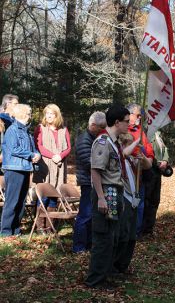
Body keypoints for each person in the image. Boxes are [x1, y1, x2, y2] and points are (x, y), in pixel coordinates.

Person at [85, 104, 130, 289]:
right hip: (104, 192)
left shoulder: (114, 142)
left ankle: (105, 275)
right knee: (103, 237)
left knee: (111, 236)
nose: (129, 125)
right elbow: (96, 171)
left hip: (114, 192)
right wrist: (101, 198)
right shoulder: (102, 142)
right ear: (117, 122)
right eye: (126, 121)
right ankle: (95, 280)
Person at [113, 132, 152, 275]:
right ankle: (115, 266)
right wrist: (136, 142)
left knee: (131, 235)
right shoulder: (119, 157)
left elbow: (147, 166)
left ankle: (123, 265)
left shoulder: (131, 160)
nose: (131, 148)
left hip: (134, 198)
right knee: (123, 234)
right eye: (128, 144)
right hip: (124, 198)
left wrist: (143, 157)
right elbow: (122, 154)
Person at [0, 104, 40, 236]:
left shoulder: (26, 131)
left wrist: (36, 154)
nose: (30, 116)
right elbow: (14, 149)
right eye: (29, 113)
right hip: (14, 169)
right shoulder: (13, 130)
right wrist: (31, 155)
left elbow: (31, 148)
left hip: (25, 168)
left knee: (22, 201)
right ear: (23, 114)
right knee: (12, 201)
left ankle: (16, 230)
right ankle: (5, 232)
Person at [33, 104, 71, 233]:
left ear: (57, 115)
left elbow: (68, 147)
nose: (48, 116)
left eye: (51, 114)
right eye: (47, 113)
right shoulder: (40, 128)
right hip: (45, 166)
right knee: (44, 196)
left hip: (59, 166)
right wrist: (52, 156)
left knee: (54, 196)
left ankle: (49, 226)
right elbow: (38, 146)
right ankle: (39, 227)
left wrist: (60, 156)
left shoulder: (63, 129)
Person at [72, 111, 107, 254]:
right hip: (88, 182)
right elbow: (89, 162)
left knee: (92, 215)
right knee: (84, 215)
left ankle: (88, 244)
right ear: (93, 125)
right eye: (101, 127)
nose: (103, 130)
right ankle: (79, 246)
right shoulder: (84, 140)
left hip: (94, 181)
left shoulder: (95, 138)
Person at [127, 103, 154, 235]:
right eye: (137, 115)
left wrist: (148, 159)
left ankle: (136, 232)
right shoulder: (122, 129)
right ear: (129, 114)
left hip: (140, 175)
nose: (139, 118)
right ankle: (126, 231)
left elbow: (149, 151)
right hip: (126, 176)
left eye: (141, 116)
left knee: (140, 204)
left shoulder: (140, 131)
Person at [141, 130, 169, 237]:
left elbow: (164, 149)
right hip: (149, 172)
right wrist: (157, 162)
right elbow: (147, 152)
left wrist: (165, 160)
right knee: (147, 200)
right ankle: (143, 229)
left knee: (155, 200)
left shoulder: (158, 134)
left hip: (158, 173)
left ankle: (149, 228)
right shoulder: (145, 134)